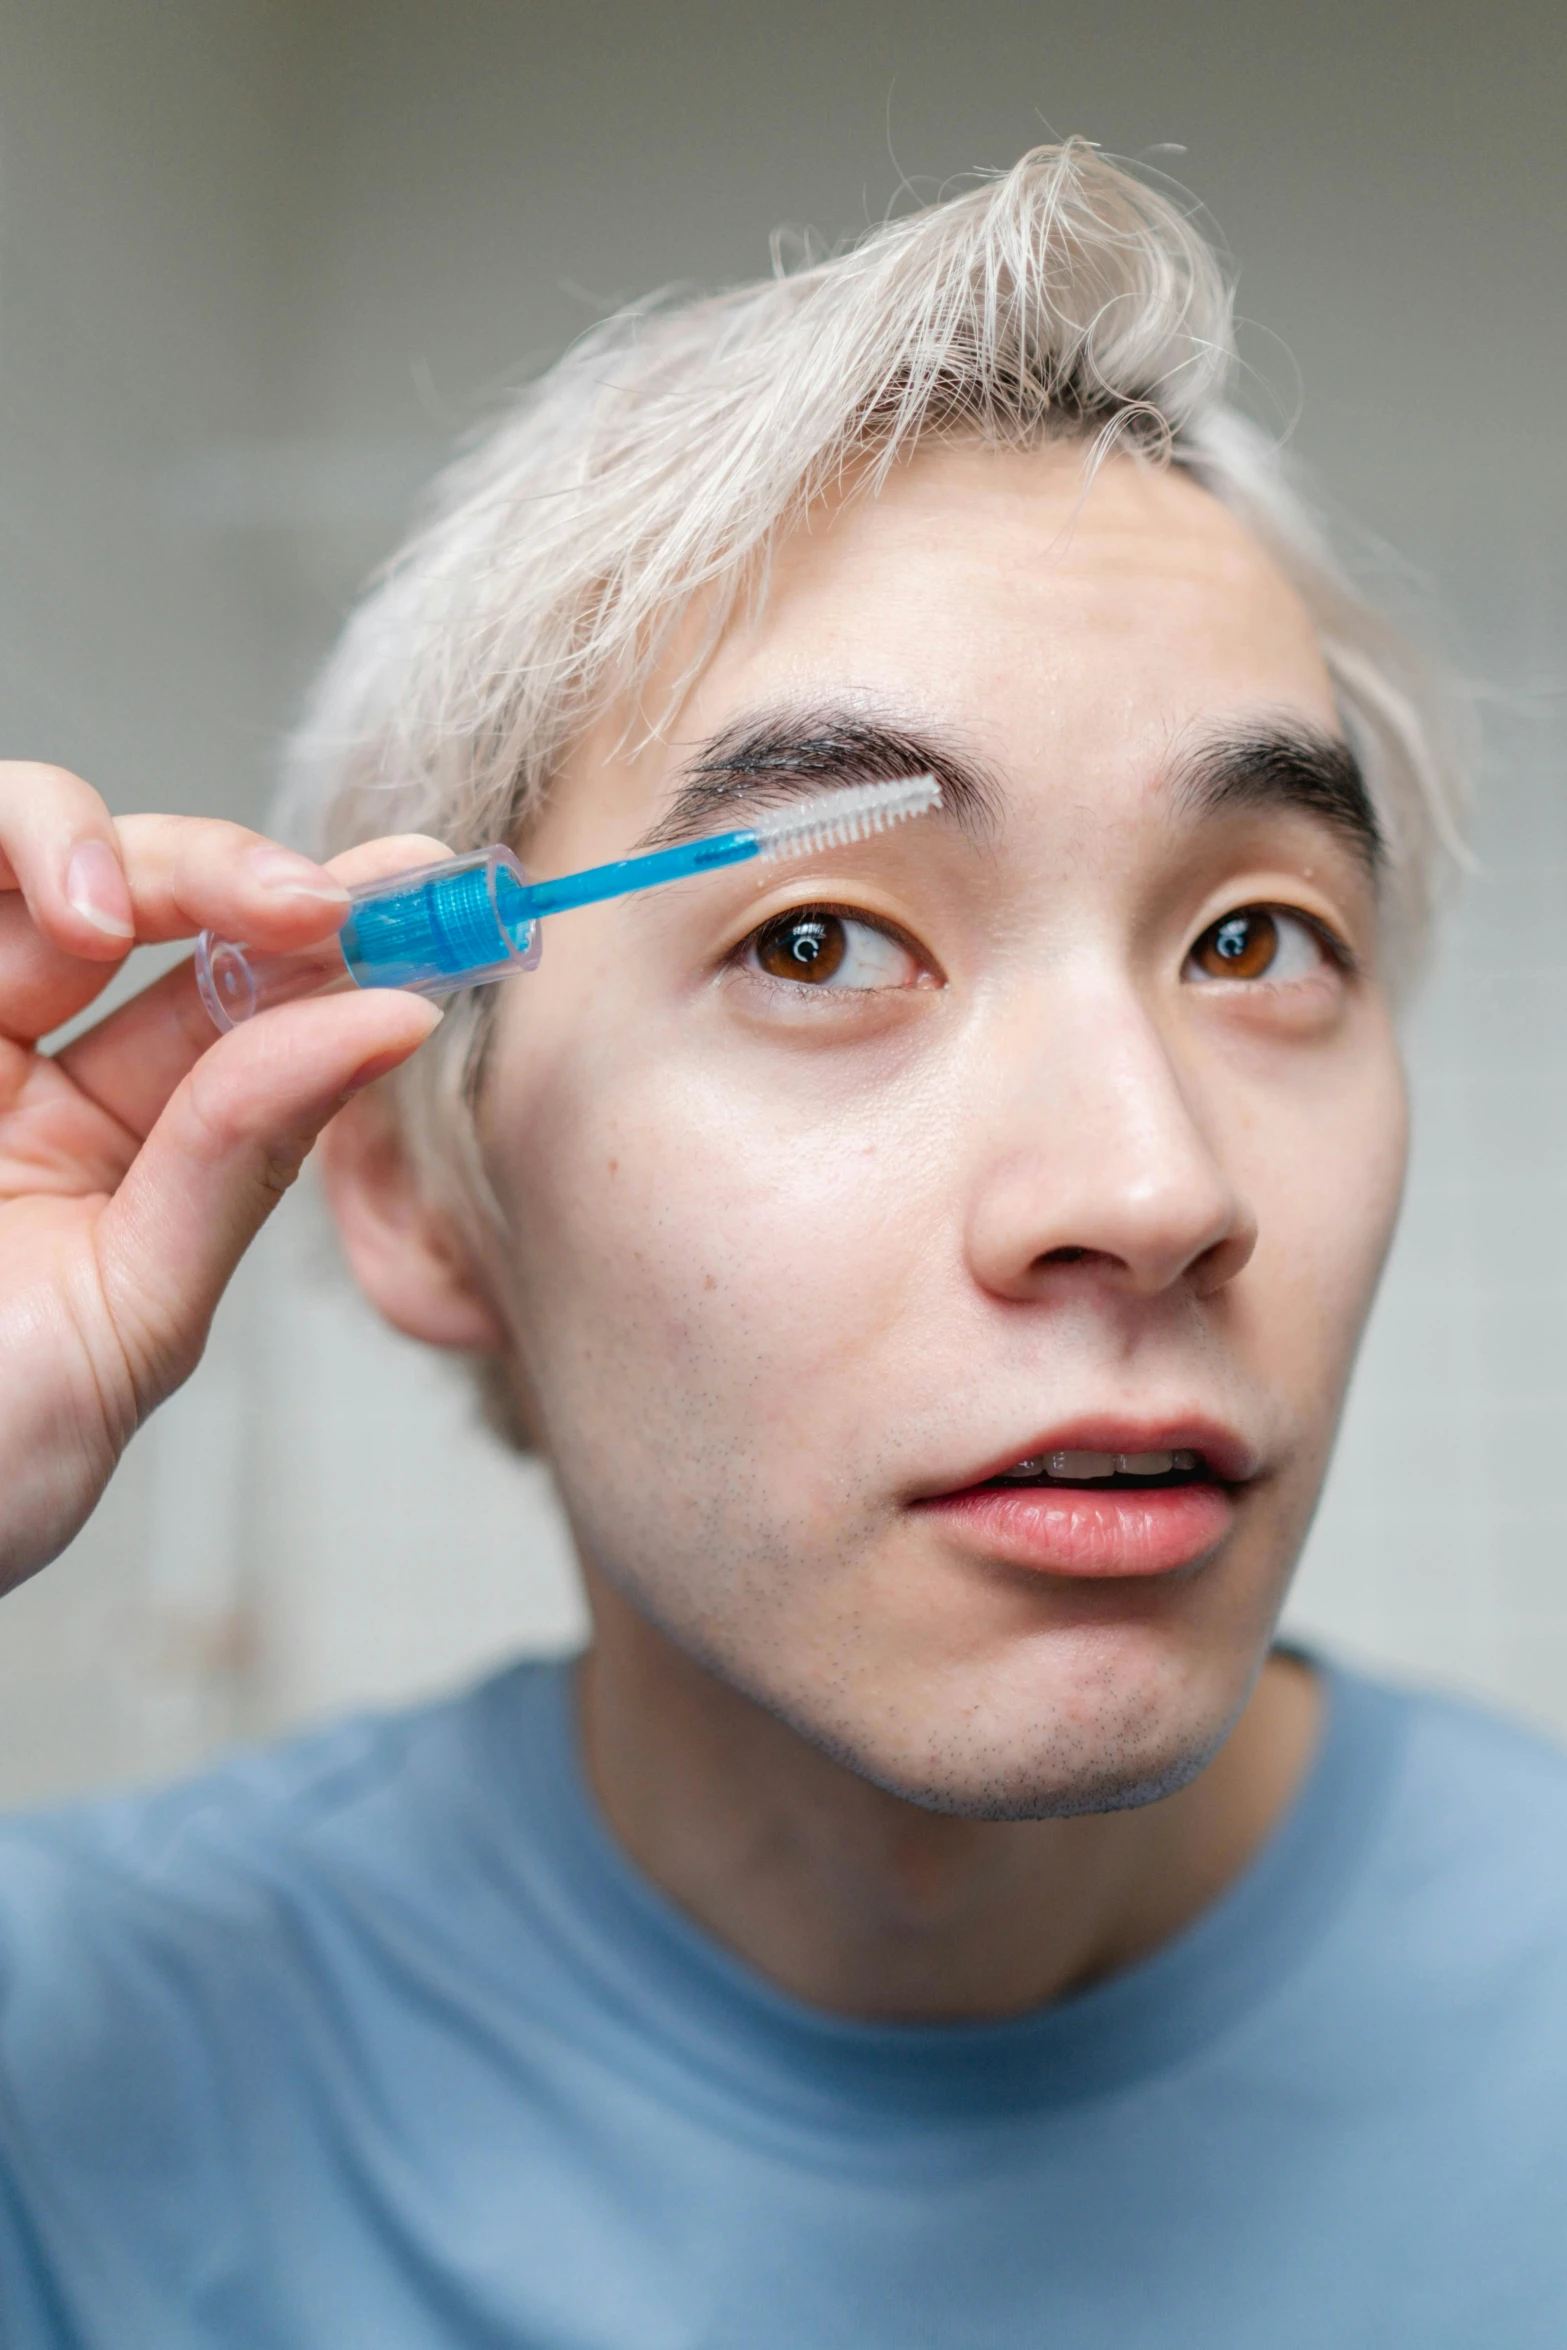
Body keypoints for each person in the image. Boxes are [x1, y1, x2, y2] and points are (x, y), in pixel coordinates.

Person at [0, 142, 1563, 2349]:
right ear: (419, 1192)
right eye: (820, 939)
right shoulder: (58, 2079)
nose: (1151, 1182)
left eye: (1254, 934)